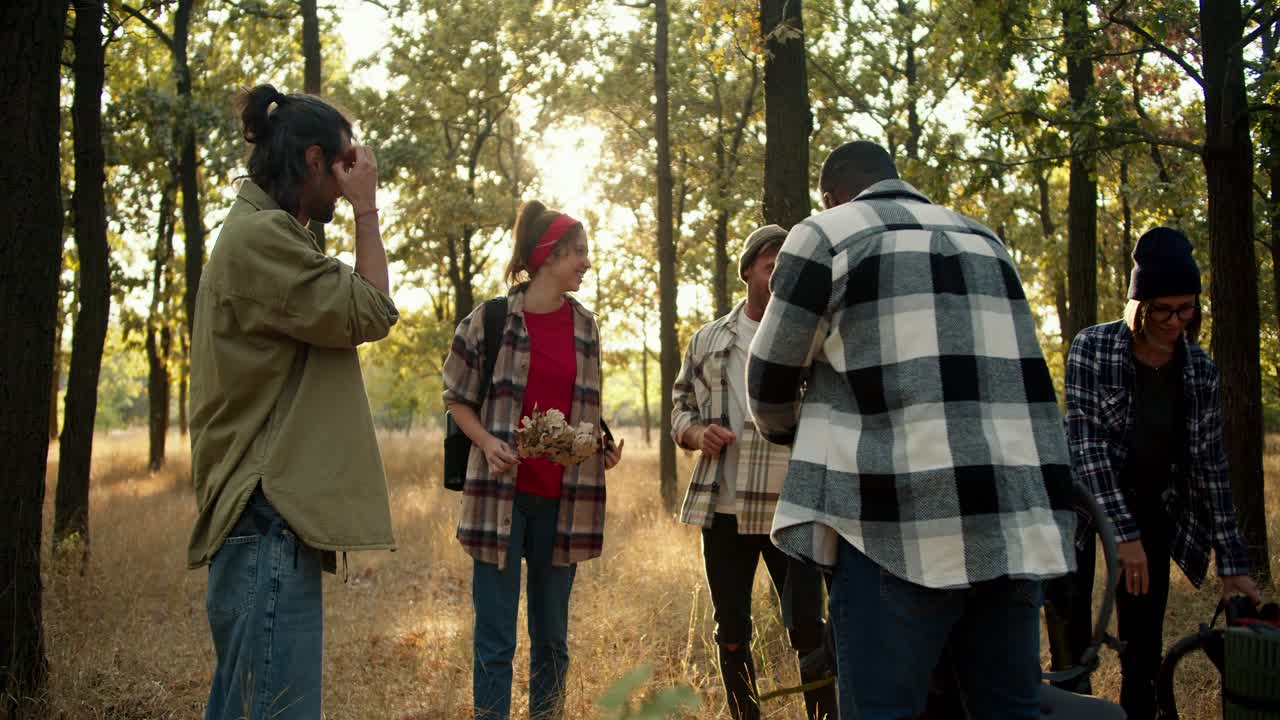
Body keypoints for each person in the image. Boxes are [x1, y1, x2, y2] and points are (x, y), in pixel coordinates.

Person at [747, 140, 1077, 719]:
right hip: (1011, 525)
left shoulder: (824, 234)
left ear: (831, 195)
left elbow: (768, 385)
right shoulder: (987, 239)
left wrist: (791, 427)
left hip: (892, 530)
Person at [188, 85, 399, 719]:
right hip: (266, 517)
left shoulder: (272, 235)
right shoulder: (261, 240)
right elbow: (371, 308)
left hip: (264, 523)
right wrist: (367, 210)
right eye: (342, 167)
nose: (347, 182)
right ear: (313, 161)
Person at [1063, 226, 1260, 720]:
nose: (1176, 321)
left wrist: (1232, 563)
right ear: (1139, 306)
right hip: (1082, 507)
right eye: (1164, 309)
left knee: (1143, 643)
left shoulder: (1200, 371)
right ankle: (1071, 702)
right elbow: (1087, 450)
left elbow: (1211, 466)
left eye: (1187, 308)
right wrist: (1121, 535)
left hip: (1153, 506)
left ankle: (1137, 710)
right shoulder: (1092, 349)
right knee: (1068, 625)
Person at [442, 200, 624, 720]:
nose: (587, 263)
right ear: (550, 255)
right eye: (580, 253)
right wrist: (486, 441)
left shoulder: (586, 327)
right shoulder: (490, 320)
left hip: (562, 504)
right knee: (496, 642)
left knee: (551, 642)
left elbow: (584, 404)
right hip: (500, 499)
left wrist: (598, 444)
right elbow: (455, 396)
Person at [671, 225, 839, 720]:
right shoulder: (708, 340)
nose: (780, 275)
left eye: (788, 267)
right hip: (723, 512)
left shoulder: (813, 336)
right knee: (731, 628)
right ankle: (746, 715)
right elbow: (679, 409)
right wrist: (697, 433)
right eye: (771, 267)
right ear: (748, 272)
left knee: (809, 625)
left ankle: (823, 716)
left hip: (791, 508)